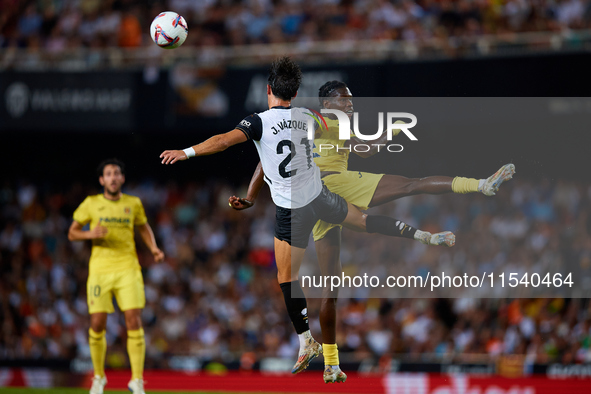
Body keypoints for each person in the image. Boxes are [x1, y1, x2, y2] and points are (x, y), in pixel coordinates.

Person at [160, 57, 454, 384]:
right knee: (364, 222)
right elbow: (356, 143)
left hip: (292, 211)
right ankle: (421, 236)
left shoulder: (258, 122)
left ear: (269, 89)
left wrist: (186, 153)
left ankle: (306, 340)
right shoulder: (310, 117)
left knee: (287, 278)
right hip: (321, 198)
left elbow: (226, 142)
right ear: (296, 92)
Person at [229, 80, 515, 382]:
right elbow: (368, 151)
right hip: (335, 183)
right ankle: (480, 185)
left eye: (351, 100)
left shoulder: (309, 122)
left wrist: (250, 196)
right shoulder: (326, 120)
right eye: (344, 100)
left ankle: (331, 363)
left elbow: (268, 157)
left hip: (315, 198)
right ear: (328, 103)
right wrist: (394, 129)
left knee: (331, 288)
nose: (350, 105)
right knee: (410, 184)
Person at [68, 159, 164, 394]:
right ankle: (99, 377)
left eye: (116, 173)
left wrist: (153, 248)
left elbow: (143, 227)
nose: (112, 177)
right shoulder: (91, 203)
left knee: (133, 319)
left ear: (121, 178)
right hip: (100, 271)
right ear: (102, 180)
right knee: (97, 323)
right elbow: (72, 233)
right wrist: (90, 234)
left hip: (128, 268)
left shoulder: (133, 203)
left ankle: (137, 381)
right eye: (108, 174)